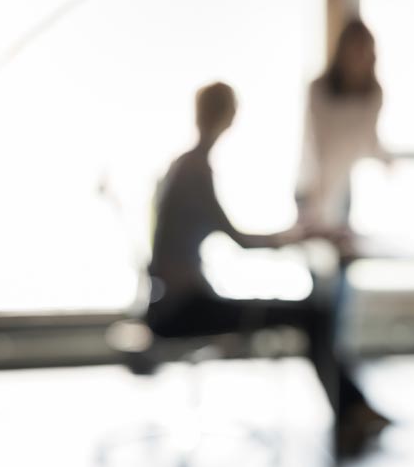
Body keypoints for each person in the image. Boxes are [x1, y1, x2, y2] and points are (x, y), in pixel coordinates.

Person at [147, 82, 388, 456]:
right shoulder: (194, 170)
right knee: (312, 314)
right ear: (229, 117)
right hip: (183, 309)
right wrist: (297, 236)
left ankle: (355, 408)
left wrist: (295, 235)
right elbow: (239, 240)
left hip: (173, 302)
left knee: (310, 312)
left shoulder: (183, 165)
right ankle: (353, 409)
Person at [296, 19, 387, 228]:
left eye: (363, 50)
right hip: (311, 185)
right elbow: (316, 143)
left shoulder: (373, 93)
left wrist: (386, 160)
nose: (358, 56)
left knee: (343, 250)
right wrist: (316, 196)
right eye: (354, 49)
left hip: (343, 186)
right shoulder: (319, 88)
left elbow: (368, 139)